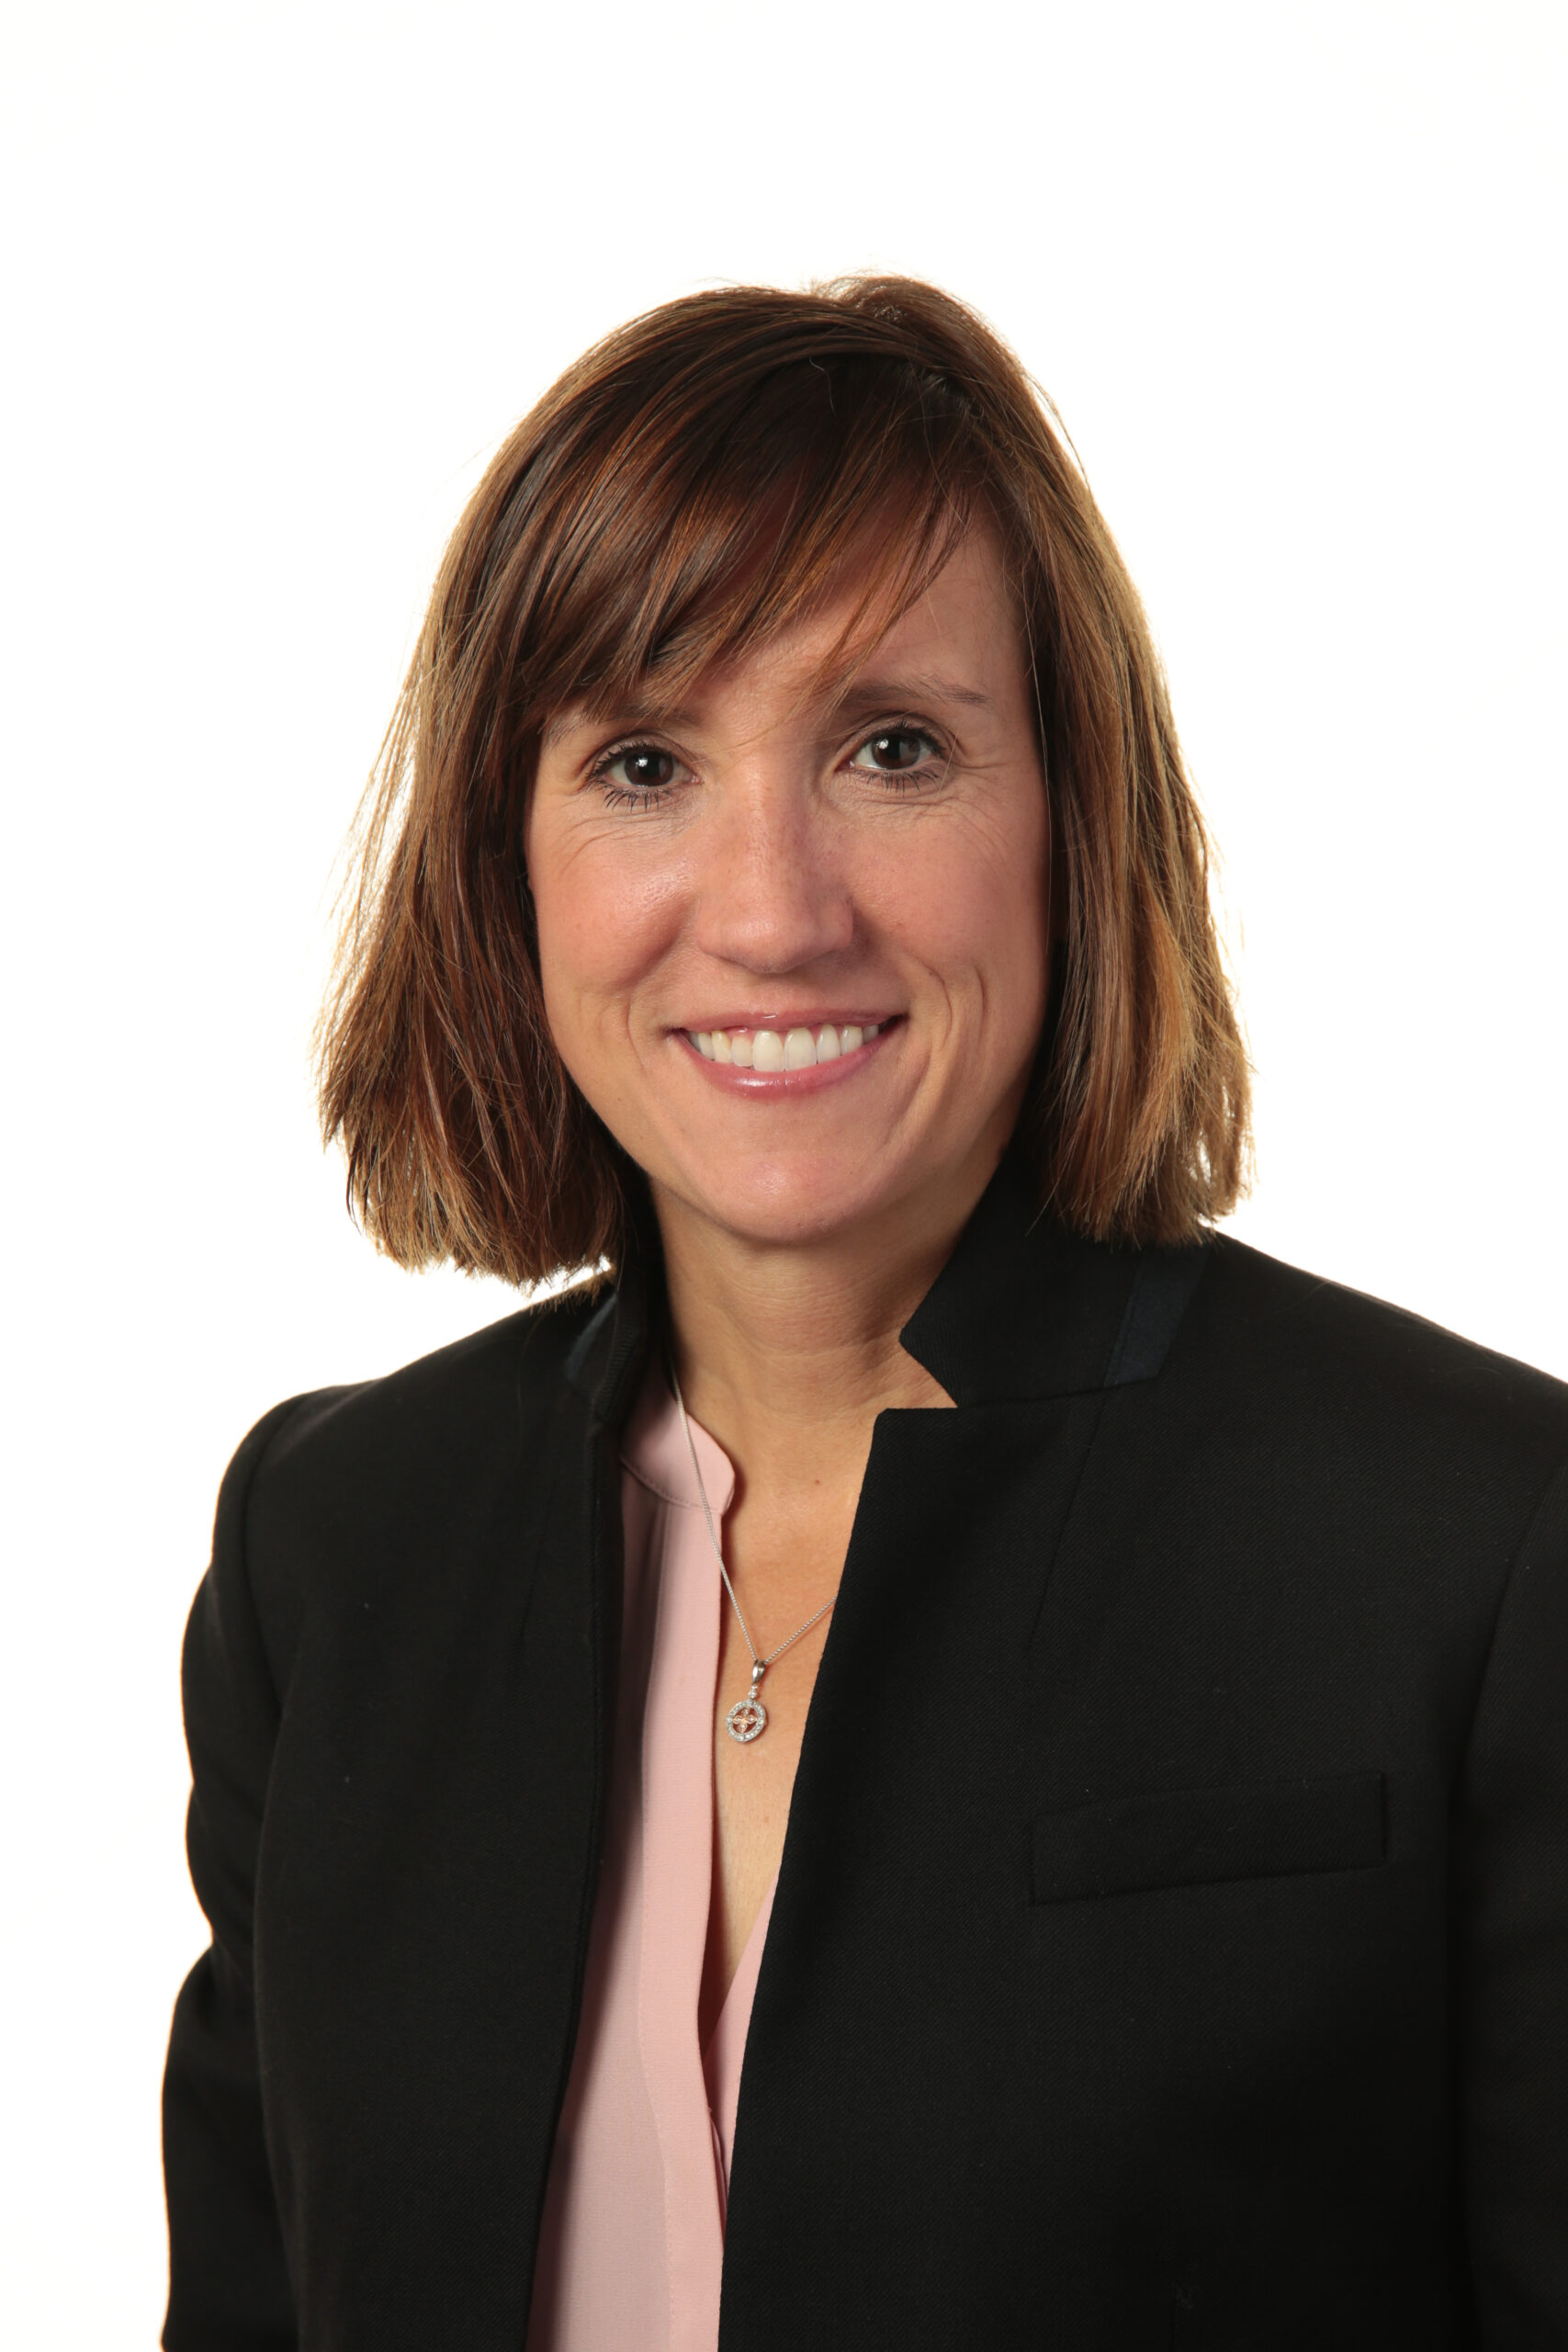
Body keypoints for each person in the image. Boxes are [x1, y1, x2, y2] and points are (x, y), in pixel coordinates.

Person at [161, 277, 1568, 2352]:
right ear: (507, 861)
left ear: (1070, 819)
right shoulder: (333, 1545)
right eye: (642, 759)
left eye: (891, 746)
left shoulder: (1478, 1541)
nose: (767, 905)